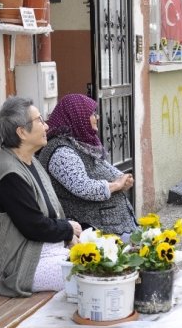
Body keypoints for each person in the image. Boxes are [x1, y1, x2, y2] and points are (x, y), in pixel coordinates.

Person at [0, 96, 81, 297]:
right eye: (40, 121)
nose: (47, 126)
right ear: (22, 132)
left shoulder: (29, 160)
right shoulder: (8, 174)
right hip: (16, 268)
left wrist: (69, 231)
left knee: (102, 250)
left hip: (40, 250)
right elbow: (34, 226)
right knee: (89, 273)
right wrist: (68, 230)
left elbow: (48, 214)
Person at [38, 94, 137, 237]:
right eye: (92, 113)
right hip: (97, 230)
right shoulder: (60, 151)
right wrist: (116, 185)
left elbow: (103, 166)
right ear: (78, 115)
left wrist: (123, 178)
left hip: (113, 226)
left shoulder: (81, 142)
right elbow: (83, 187)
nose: (97, 117)